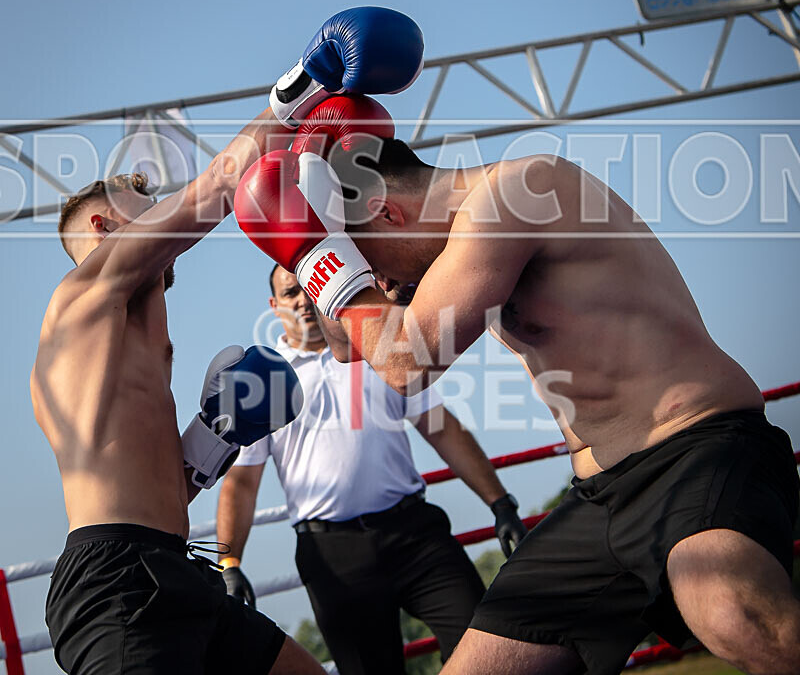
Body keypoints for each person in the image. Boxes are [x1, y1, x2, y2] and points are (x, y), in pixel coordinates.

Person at [234, 95, 800, 675]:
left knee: (733, 613)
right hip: (602, 498)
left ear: (387, 212)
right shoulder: (451, 250)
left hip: (695, 450)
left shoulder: (519, 192)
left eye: (371, 262)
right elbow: (351, 347)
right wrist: (311, 247)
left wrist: (320, 255)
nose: (379, 281)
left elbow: (406, 362)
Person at [30, 6, 426, 675]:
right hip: (120, 587)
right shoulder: (82, 300)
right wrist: (307, 83)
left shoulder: (131, 340)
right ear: (102, 229)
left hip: (170, 569)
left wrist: (215, 434)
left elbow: (158, 494)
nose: (160, 208)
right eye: (143, 201)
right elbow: (217, 187)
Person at [215, 265, 527, 675]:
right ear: (275, 307)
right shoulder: (265, 380)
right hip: (335, 557)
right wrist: (230, 564)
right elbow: (241, 482)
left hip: (416, 535)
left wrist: (500, 503)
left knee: (488, 647)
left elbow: (443, 429)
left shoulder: (375, 350)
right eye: (291, 293)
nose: (304, 301)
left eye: (309, 289)